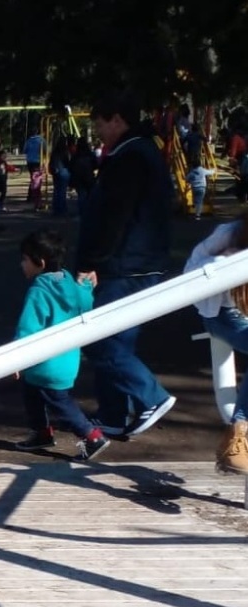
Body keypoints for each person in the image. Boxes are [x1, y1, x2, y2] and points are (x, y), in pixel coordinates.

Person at [76, 89, 176, 439]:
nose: (98, 132)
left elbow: (113, 217)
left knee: (100, 341)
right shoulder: (143, 153)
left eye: (100, 124)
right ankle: (113, 414)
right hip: (141, 261)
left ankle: (151, 395)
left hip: (125, 265)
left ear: (117, 119)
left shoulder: (128, 158)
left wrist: (91, 260)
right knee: (116, 341)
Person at [13, 229, 110, 461]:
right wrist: (87, 287)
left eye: (25, 259)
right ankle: (41, 433)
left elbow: (29, 327)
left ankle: (92, 436)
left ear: (41, 263)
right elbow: (85, 302)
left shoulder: (39, 291)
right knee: (33, 393)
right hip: (66, 359)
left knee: (60, 404)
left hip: (44, 363)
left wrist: (14, 356)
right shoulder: (68, 281)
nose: (21, 264)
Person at [183, 215, 248, 474]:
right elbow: (190, 271)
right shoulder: (230, 233)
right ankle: (239, 432)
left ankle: (237, 436)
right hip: (225, 315)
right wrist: (226, 262)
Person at [49, 137, 71, 217]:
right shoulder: (65, 151)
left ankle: (56, 208)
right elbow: (67, 162)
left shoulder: (54, 152)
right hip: (63, 171)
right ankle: (62, 209)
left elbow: (51, 162)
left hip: (56, 171)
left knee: (56, 191)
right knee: (62, 191)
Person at [23, 132, 45, 202]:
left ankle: (31, 196)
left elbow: (25, 150)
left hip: (30, 161)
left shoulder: (29, 140)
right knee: (37, 180)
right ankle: (35, 196)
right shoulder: (42, 140)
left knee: (32, 179)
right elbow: (46, 150)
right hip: (38, 161)